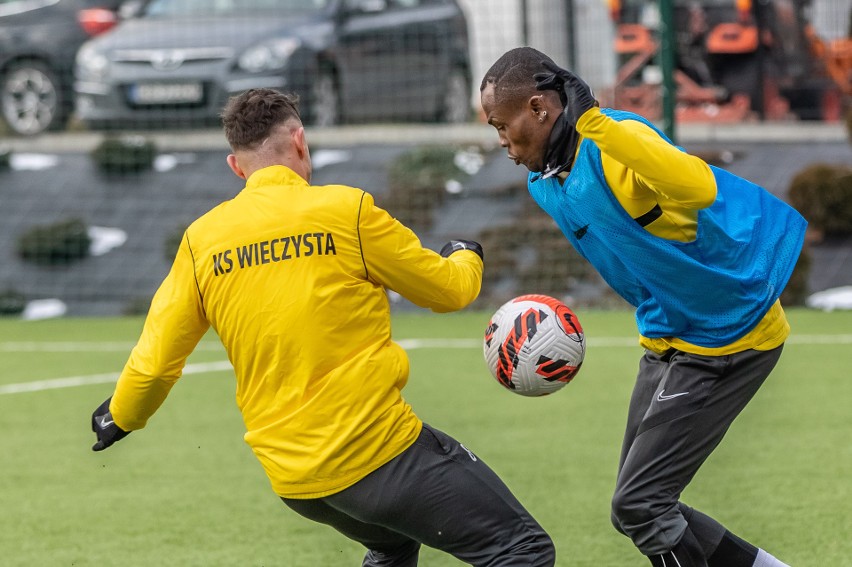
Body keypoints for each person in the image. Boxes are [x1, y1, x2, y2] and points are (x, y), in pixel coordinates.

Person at [90, 88, 556, 567]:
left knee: (392, 546)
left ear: (237, 167)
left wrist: (121, 415)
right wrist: (465, 255)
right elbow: (449, 292)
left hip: (295, 482)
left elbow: (155, 361)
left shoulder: (202, 240)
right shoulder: (346, 211)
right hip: (376, 455)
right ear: (299, 142)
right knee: (522, 549)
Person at [480, 47, 806, 567]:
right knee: (637, 507)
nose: (500, 140)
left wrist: (597, 123)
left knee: (641, 505)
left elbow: (697, 186)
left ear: (540, 109)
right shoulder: (545, 183)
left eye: (502, 125)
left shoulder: (614, 144)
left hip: (728, 333)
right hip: (666, 336)